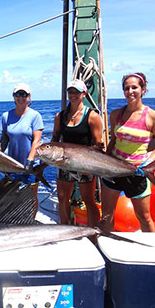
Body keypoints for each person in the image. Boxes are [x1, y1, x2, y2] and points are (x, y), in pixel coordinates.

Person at [100, 73, 155, 232]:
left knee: (144, 217)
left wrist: (147, 162)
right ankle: (106, 244)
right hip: (113, 169)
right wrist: (104, 161)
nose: (130, 91)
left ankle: (152, 249)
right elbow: (114, 140)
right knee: (107, 214)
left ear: (143, 89)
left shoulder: (154, 117)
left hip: (137, 172)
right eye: (126, 88)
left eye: (134, 87)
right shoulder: (116, 114)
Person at [51, 79, 103, 227]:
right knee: (62, 197)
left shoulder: (92, 116)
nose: (73, 95)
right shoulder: (60, 116)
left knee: (89, 200)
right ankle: (65, 228)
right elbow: (55, 139)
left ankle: (94, 231)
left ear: (84, 94)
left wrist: (90, 168)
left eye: (76, 92)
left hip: (85, 165)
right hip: (64, 162)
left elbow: (97, 144)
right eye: (70, 91)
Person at [0, 83, 44, 214]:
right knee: (12, 197)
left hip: (31, 165)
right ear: (13, 97)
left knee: (31, 198)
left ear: (29, 97)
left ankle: (31, 222)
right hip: (12, 165)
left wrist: (29, 161)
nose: (21, 97)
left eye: (24, 94)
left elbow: (37, 140)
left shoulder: (35, 116)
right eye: (18, 94)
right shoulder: (6, 116)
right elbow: (4, 139)